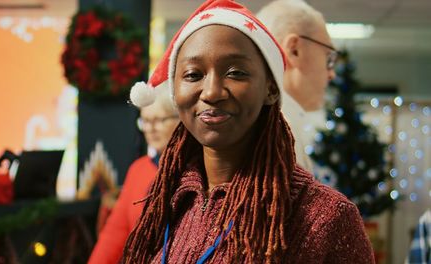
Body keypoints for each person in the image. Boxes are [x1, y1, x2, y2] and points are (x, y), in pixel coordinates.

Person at [124, 0, 374, 263]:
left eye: (235, 72)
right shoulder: (169, 199)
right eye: (193, 75)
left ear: (271, 88)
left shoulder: (325, 216)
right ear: (175, 91)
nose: (211, 92)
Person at [87, 85, 179, 264]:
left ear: (180, 119)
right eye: (145, 121)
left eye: (159, 120)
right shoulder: (138, 169)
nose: (150, 128)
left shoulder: (197, 170)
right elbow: (116, 231)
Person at [256, 0, 337, 171]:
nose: (332, 74)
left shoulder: (268, 122)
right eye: (328, 57)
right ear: (294, 50)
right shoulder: (275, 134)